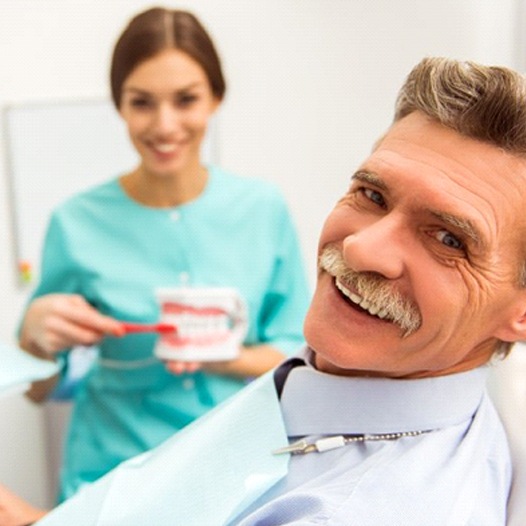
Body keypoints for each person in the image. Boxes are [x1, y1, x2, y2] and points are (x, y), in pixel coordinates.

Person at [10, 55, 525, 525]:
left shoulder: (361, 507)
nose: (362, 249)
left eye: (448, 238)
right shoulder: (334, 376)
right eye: (371, 193)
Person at [17, 7, 309, 503]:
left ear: (216, 97)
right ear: (120, 106)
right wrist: (33, 340)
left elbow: (300, 357)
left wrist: (224, 356)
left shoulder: (262, 209)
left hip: (236, 477)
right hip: (110, 483)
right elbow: (40, 389)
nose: (164, 124)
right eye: (142, 102)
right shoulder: (76, 222)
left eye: (186, 99)